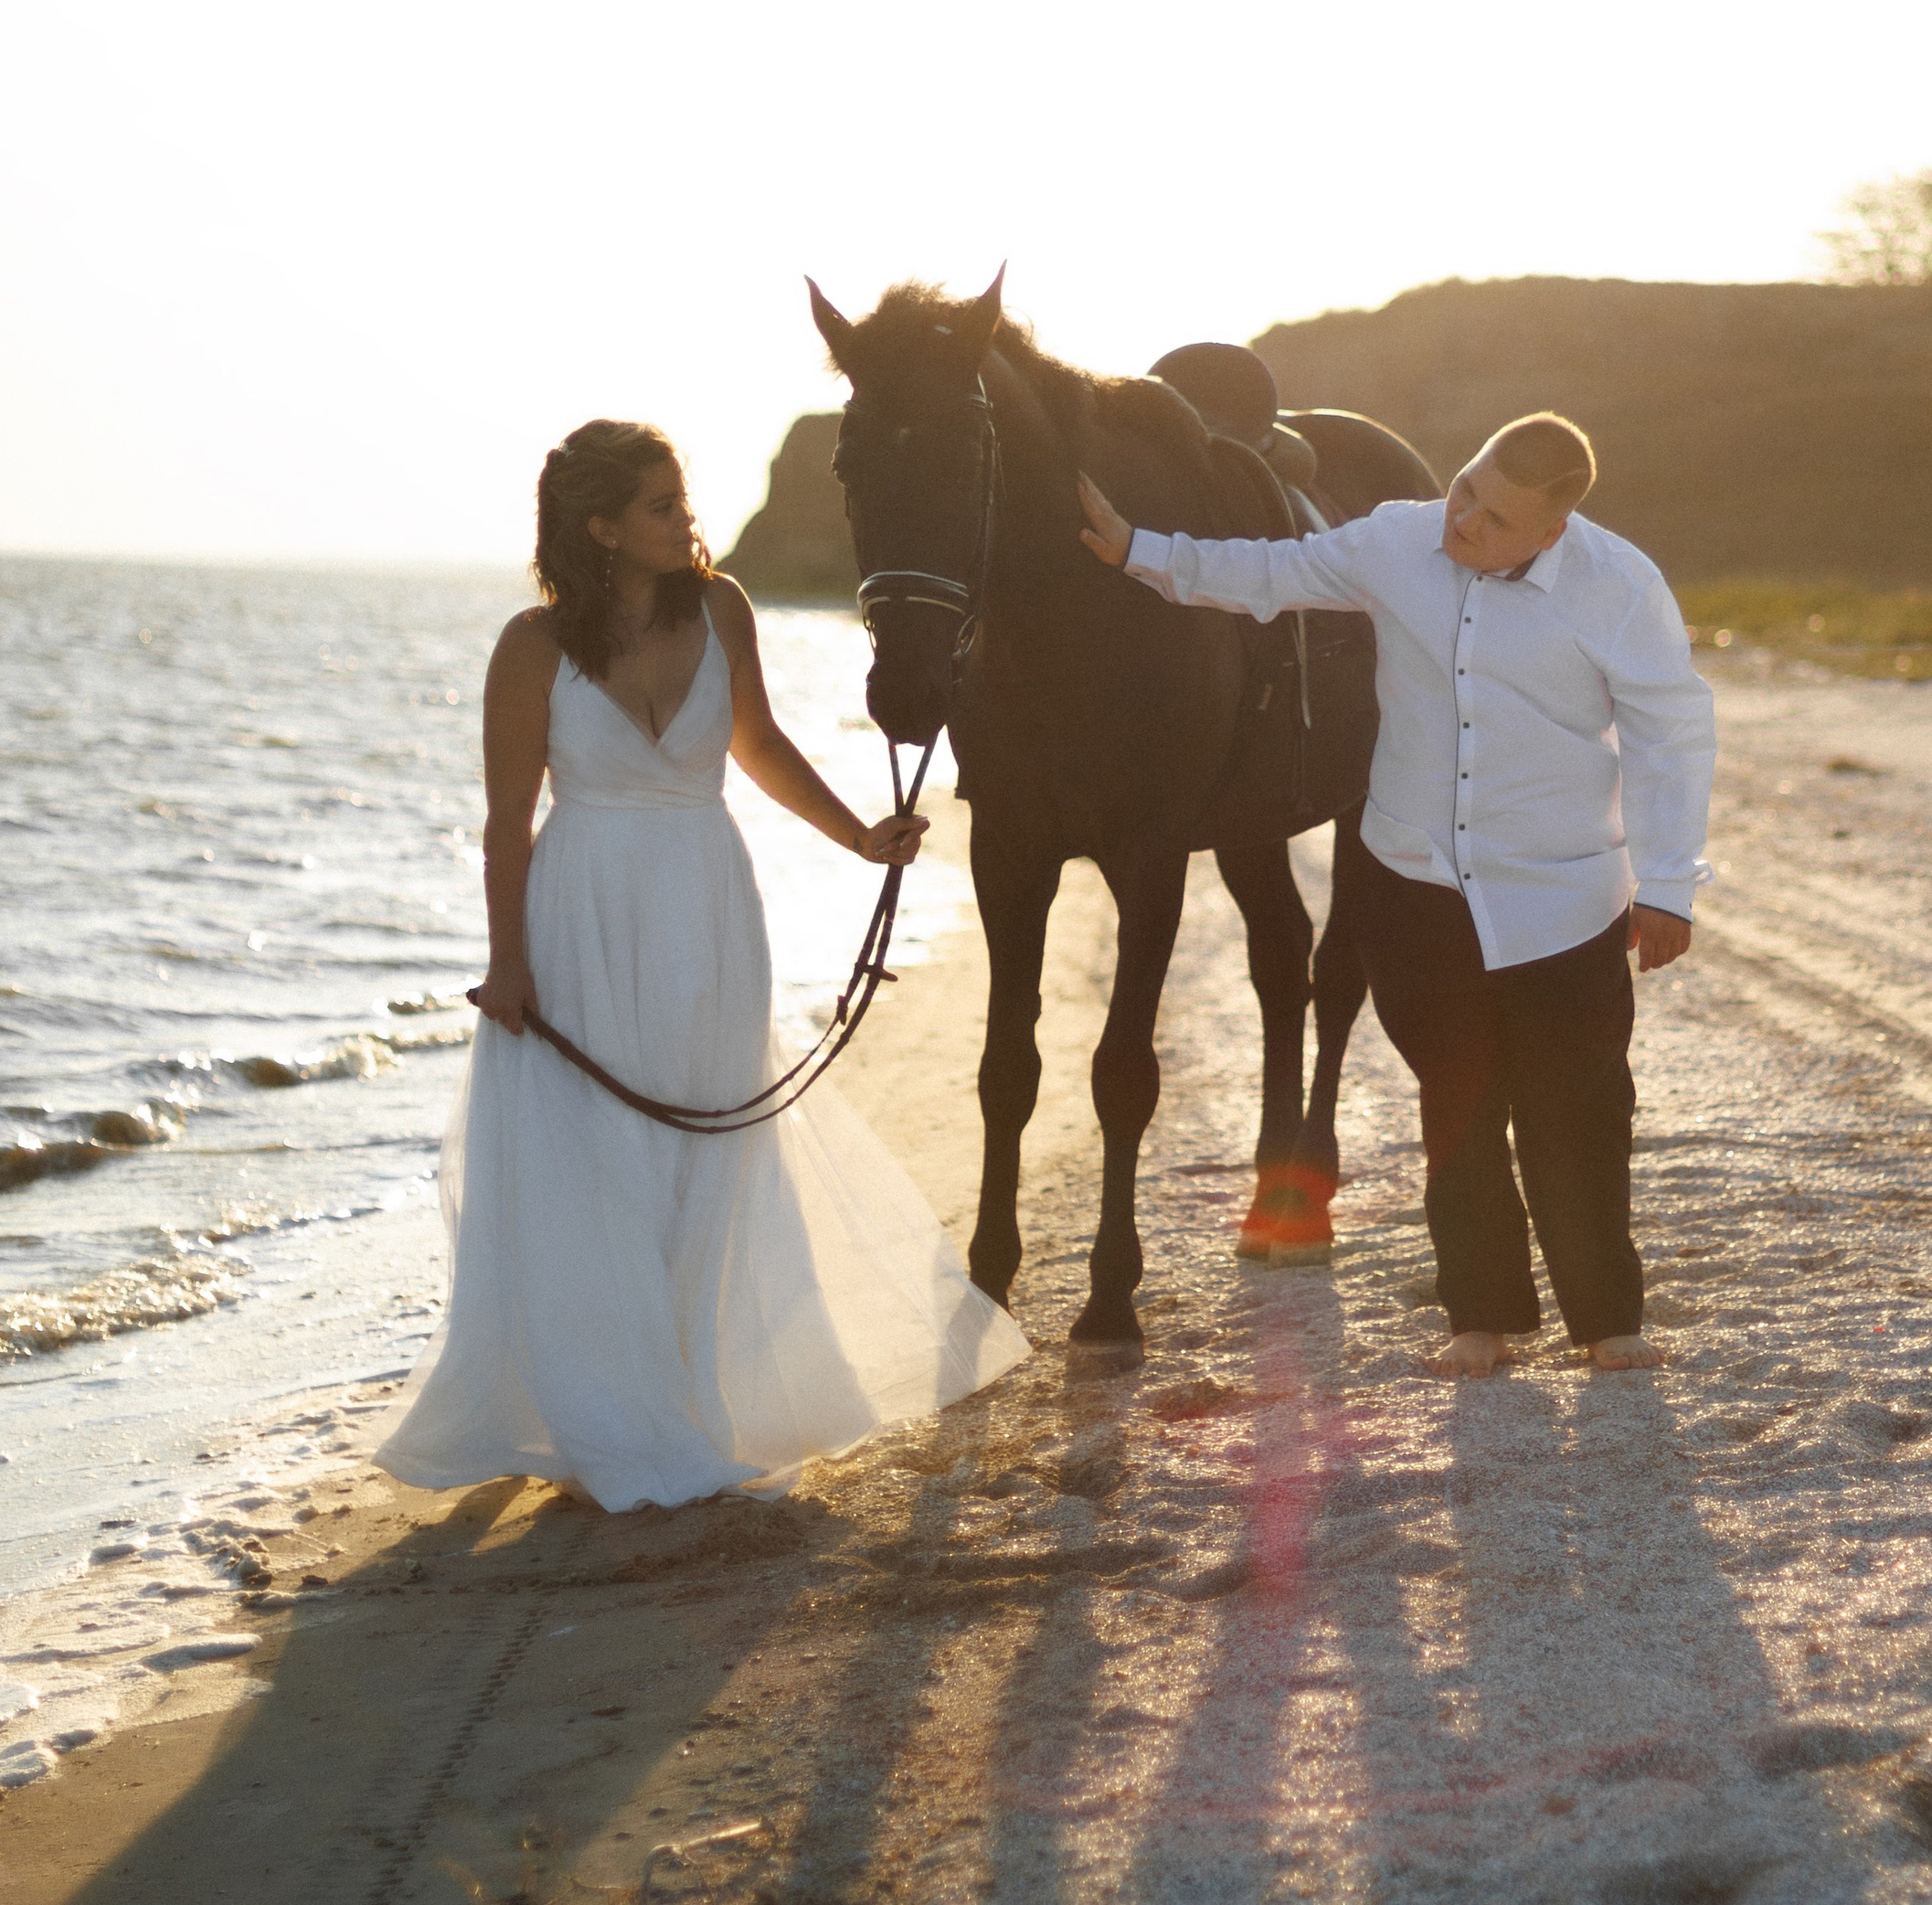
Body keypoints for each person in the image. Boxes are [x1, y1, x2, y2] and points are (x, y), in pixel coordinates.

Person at [377, 420, 1025, 1510]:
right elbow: (504, 824)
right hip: (580, 910)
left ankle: (684, 1396)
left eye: (682, 501)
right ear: (601, 527)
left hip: (709, 905)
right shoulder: (529, 646)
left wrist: (858, 835)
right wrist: (509, 963)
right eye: (661, 505)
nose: (687, 519)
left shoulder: (722, 607)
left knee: (707, 1147)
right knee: (593, 1161)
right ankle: (610, 1413)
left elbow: (758, 744)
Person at [1076, 412, 1713, 1379]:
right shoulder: (1394, 539)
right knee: (1455, 1105)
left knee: (1576, 1108)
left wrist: (1667, 883)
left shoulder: (1617, 584)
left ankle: (1606, 1320)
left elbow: (1671, 732)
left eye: (1493, 517)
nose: (1462, 520)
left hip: (1563, 890)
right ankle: (1481, 1315)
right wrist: (1135, 550)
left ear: (1551, 530)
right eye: (1464, 487)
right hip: (1416, 879)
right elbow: (1267, 574)